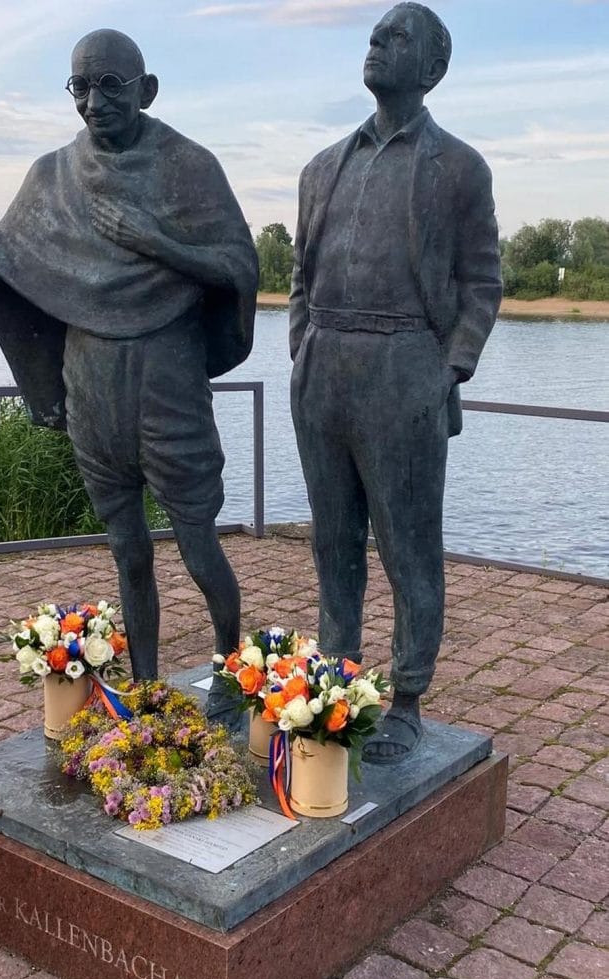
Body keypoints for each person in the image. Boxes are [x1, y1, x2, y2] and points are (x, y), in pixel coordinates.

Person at [0, 29, 258, 730]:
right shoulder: (53, 175)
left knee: (197, 537)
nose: (94, 100)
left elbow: (236, 267)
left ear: (146, 89)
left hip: (166, 372)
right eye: (81, 86)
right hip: (92, 377)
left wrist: (156, 242)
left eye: (110, 84)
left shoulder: (188, 166)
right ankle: (143, 689)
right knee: (126, 545)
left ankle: (231, 667)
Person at [289, 3, 501, 762]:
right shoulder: (321, 167)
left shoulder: (460, 168)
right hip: (323, 372)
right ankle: (336, 681)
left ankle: (407, 696)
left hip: (405, 367)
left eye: (396, 36)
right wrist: (301, 348)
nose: (376, 43)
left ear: (433, 67)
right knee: (333, 543)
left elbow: (483, 283)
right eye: (374, 33)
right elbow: (300, 278)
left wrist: (445, 371)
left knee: (408, 547)